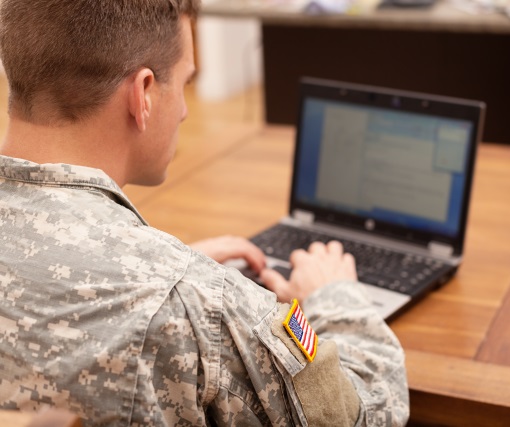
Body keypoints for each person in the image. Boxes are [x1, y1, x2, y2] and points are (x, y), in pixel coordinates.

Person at [0, 0, 409, 425]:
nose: (184, 109)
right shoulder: (200, 305)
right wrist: (336, 296)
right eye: (185, 83)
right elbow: (363, 416)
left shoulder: (184, 295)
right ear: (143, 95)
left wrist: (169, 274)